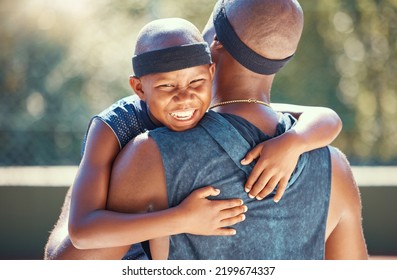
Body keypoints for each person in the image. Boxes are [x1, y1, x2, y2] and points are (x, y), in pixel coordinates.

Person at [44, 3, 343, 260]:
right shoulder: (115, 125)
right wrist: (180, 219)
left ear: (210, 69)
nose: (184, 98)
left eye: (196, 83)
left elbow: (326, 116)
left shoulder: (205, 107)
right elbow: (81, 236)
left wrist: (292, 143)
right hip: (117, 243)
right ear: (139, 88)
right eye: (166, 86)